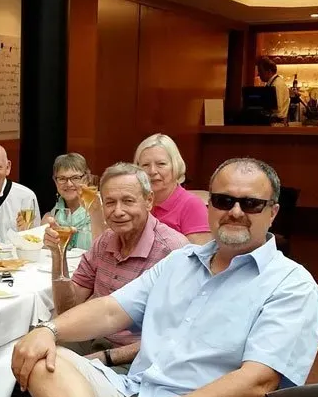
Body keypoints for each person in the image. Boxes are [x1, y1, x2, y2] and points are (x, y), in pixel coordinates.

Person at [11, 158, 318, 397]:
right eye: (224, 201)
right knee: (47, 359)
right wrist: (48, 329)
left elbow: (256, 384)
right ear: (209, 207)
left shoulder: (292, 286)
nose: (236, 212)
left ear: (273, 213)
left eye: (251, 204)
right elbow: (111, 310)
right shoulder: (181, 263)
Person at [44, 163, 188, 367]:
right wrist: (58, 254)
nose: (118, 211)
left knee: (56, 372)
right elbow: (68, 307)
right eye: (110, 202)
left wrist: (106, 358)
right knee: (34, 348)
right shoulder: (104, 242)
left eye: (128, 201)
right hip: (93, 340)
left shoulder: (173, 251)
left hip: (138, 358)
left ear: (148, 201)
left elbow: (175, 335)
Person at [134, 133, 211, 245]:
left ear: (175, 166)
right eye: (145, 165)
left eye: (161, 164)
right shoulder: (136, 202)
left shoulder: (192, 205)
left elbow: (199, 257)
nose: (152, 171)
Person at [46, 153, 104, 251]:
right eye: (62, 178)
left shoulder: (102, 209)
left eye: (75, 178)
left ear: (87, 178)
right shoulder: (53, 215)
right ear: (55, 181)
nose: (69, 184)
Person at [256, 56, 290, 123]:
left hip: (276, 124)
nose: (258, 74)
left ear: (269, 71)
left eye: (260, 71)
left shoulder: (276, 85)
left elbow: (277, 109)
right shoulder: (274, 83)